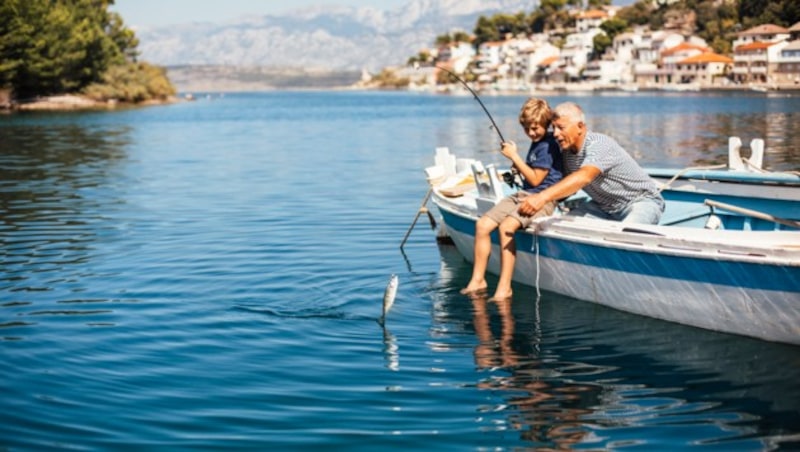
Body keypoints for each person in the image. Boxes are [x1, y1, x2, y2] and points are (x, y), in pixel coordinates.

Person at [461, 97, 563, 300]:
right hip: (523, 195)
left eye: (535, 128)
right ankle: (478, 280)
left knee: (505, 227)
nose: (531, 133)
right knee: (482, 225)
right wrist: (519, 166)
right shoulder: (537, 143)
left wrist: (515, 157)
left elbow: (536, 181)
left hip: (542, 199)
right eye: (527, 128)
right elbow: (532, 174)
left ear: (546, 124)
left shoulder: (548, 146)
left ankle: (504, 287)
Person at [517, 102, 664, 224]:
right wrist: (532, 200)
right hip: (603, 207)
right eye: (553, 128)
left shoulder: (598, 143)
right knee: (565, 225)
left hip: (640, 202)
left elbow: (584, 177)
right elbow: (568, 186)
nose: (555, 134)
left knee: (627, 236)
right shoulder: (567, 153)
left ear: (580, 127)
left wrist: (541, 197)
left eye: (561, 128)